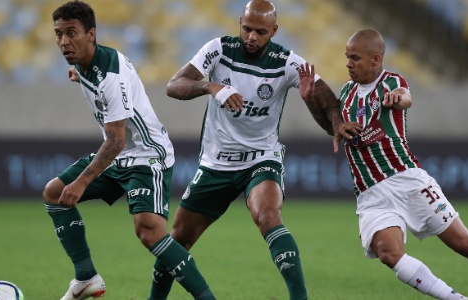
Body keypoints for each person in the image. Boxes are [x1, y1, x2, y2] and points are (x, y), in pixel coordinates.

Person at [300, 28, 468, 300]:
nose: (348, 63)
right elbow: (335, 129)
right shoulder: (347, 92)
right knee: (388, 253)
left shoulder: (390, 83)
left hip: (406, 180)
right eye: (347, 57)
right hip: (370, 193)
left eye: (355, 58)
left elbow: (405, 97)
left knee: (467, 246)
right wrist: (310, 100)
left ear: (375, 59)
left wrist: (398, 100)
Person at [148, 1, 342, 299]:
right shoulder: (218, 49)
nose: (252, 36)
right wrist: (211, 87)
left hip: (260, 158)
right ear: (240, 22)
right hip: (216, 163)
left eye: (260, 32)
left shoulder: (286, 62)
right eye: (247, 28)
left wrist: (336, 121)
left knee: (268, 216)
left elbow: (323, 94)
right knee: (177, 240)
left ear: (274, 31)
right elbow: (174, 85)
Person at [44, 2, 215, 299]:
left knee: (149, 231)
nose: (64, 42)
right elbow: (113, 133)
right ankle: (85, 277)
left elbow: (115, 141)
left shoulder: (110, 75)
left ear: (91, 34)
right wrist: (78, 75)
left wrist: (82, 181)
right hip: (119, 157)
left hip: (148, 154)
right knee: (53, 193)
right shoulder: (85, 64)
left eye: (71, 33)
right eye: (59, 34)